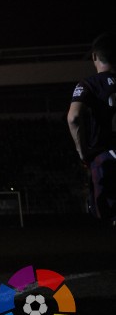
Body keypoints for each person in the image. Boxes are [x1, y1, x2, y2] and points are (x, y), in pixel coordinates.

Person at [66, 32, 116, 225]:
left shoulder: (88, 84)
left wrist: (82, 152)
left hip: (104, 159)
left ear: (95, 56)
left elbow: (74, 117)